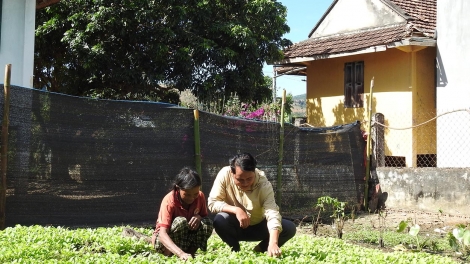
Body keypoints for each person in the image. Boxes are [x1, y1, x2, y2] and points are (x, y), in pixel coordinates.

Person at [208, 153, 296, 258]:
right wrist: (236, 210)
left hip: (259, 227)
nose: (245, 183)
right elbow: (213, 202)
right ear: (232, 173)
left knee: (289, 228)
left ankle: (260, 249)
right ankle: (236, 251)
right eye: (240, 179)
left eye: (249, 179)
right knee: (220, 220)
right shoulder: (224, 174)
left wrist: (273, 243)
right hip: (236, 227)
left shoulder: (264, 184)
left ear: (254, 172)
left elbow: (272, 213)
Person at [151, 167, 213, 261]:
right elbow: (162, 234)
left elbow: (204, 217)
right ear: (178, 188)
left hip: (185, 239)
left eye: (195, 194)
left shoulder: (200, 196)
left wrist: (198, 216)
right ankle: (169, 256)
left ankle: (190, 254)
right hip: (163, 243)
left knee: (207, 223)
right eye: (187, 194)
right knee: (181, 222)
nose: (192, 198)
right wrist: (180, 253)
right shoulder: (169, 200)